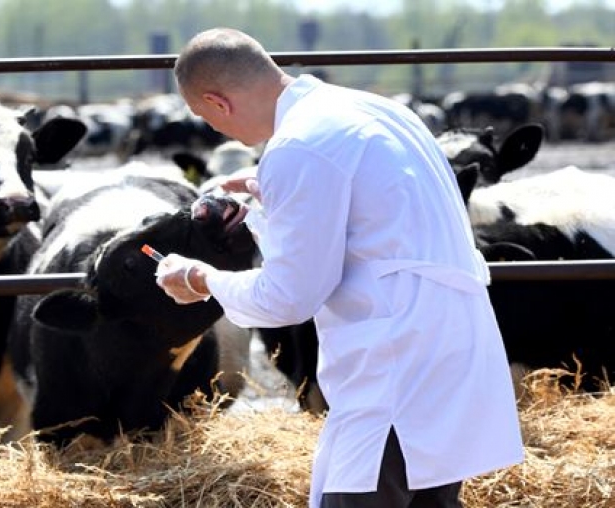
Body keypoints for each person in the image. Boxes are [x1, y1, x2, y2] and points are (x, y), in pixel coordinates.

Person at [155, 27, 524, 508]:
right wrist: (270, 201)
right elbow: (377, 218)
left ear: (217, 102)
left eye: (209, 120)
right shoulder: (379, 110)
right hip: (453, 347)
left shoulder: (297, 146)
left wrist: (201, 280)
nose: (219, 132)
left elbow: (289, 296)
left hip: (395, 363)